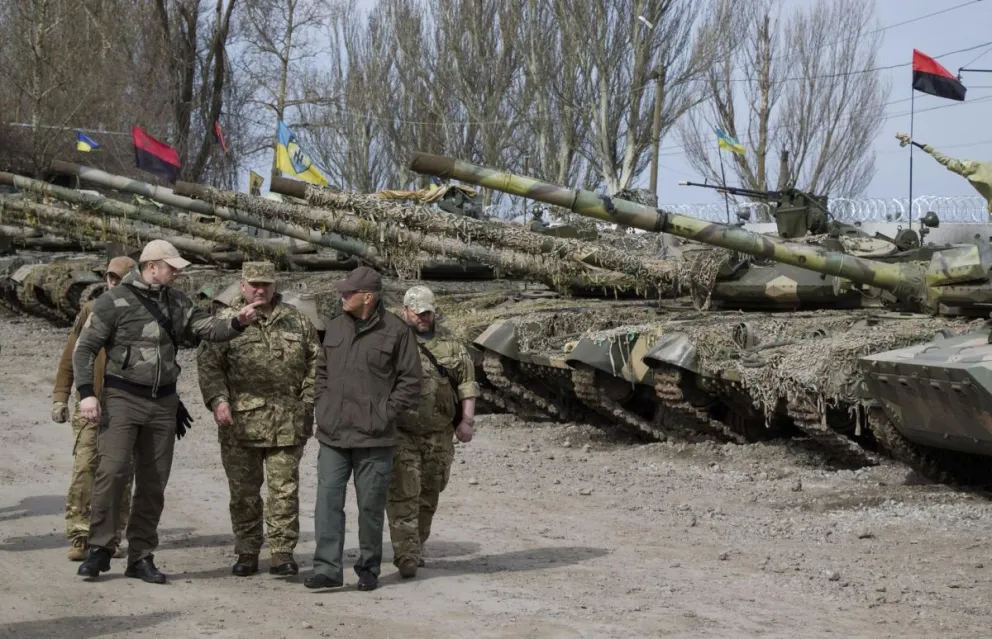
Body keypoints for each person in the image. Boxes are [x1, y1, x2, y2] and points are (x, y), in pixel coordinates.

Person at [73, 239, 264, 584]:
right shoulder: (113, 301)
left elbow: (208, 330)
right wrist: (87, 394)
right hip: (122, 398)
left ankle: (141, 556)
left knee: (154, 482)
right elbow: (84, 349)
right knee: (112, 472)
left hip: (163, 403)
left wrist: (239, 322)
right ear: (151, 266)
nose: (176, 273)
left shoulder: (177, 301)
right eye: (171, 267)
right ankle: (99, 548)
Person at [196, 262, 318, 578]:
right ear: (243, 285)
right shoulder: (225, 322)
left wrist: (306, 401)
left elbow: (317, 363)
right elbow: (209, 367)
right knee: (244, 493)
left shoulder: (297, 321)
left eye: (266, 284)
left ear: (274, 285)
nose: (260, 290)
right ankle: (248, 551)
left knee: (284, 491)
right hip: (240, 425)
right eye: (254, 284)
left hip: (287, 422)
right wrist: (218, 401)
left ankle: (281, 553)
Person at [305, 266, 422, 592]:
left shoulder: (397, 331)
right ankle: (327, 568)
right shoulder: (334, 327)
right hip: (333, 433)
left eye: (348, 292)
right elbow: (322, 370)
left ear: (368, 297)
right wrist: (322, 404)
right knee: (327, 502)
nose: (342, 295)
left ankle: (368, 567)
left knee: (370, 507)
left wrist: (383, 412)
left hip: (375, 437)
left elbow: (411, 381)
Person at [386, 286, 477, 579]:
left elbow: (467, 383)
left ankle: (418, 544)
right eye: (418, 312)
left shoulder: (451, 344)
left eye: (428, 312)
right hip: (403, 431)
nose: (424, 317)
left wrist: (467, 421)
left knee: (429, 492)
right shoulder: (394, 342)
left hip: (439, 433)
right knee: (403, 491)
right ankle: (406, 553)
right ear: (406, 312)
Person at [51, 255, 136, 561]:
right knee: (85, 468)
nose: (113, 283)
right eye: (110, 278)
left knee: (120, 474)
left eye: (120, 279)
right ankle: (81, 535)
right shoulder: (91, 309)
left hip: (127, 406)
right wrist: (61, 395)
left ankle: (111, 537)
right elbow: (71, 355)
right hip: (91, 403)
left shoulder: (141, 311)